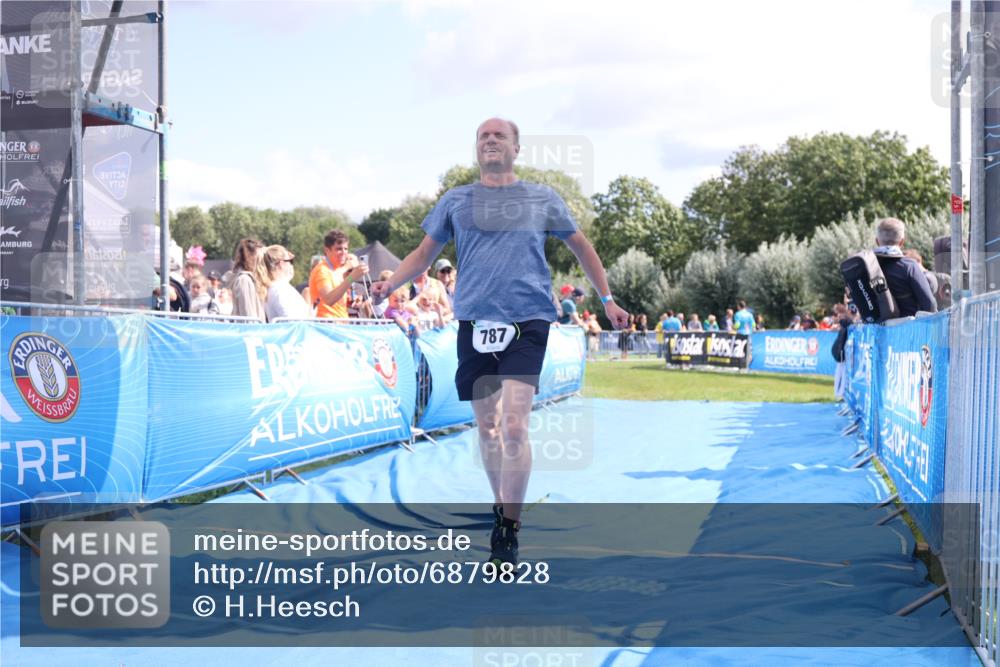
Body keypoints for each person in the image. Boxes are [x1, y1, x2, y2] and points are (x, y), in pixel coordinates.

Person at [370, 117, 628, 567]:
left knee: (513, 426)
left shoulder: (541, 198)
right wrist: (390, 286)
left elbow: (582, 247)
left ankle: (507, 529)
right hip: (473, 321)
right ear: (477, 149)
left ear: (516, 148)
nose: (490, 141)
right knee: (486, 428)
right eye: (482, 136)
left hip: (528, 319)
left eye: (499, 136)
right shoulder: (456, 201)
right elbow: (422, 255)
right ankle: (503, 511)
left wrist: (606, 298)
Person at [872, 218, 937, 317]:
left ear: (877, 241)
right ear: (902, 242)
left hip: (875, 330)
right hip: (908, 330)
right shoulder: (909, 266)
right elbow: (929, 304)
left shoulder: (868, 267)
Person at [310, 230, 368, 319]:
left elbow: (337, 299)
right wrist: (351, 276)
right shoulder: (322, 270)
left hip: (341, 322)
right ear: (327, 250)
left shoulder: (337, 269)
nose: (344, 252)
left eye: (346, 249)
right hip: (326, 324)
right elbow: (329, 300)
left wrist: (351, 301)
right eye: (339, 249)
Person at [262, 245, 311, 321]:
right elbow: (291, 321)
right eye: (290, 261)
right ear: (282, 264)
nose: (291, 265)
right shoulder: (280, 290)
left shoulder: (277, 287)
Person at [228, 238, 266, 321]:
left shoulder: (247, 279)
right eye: (259, 257)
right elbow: (248, 314)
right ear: (251, 257)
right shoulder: (244, 280)